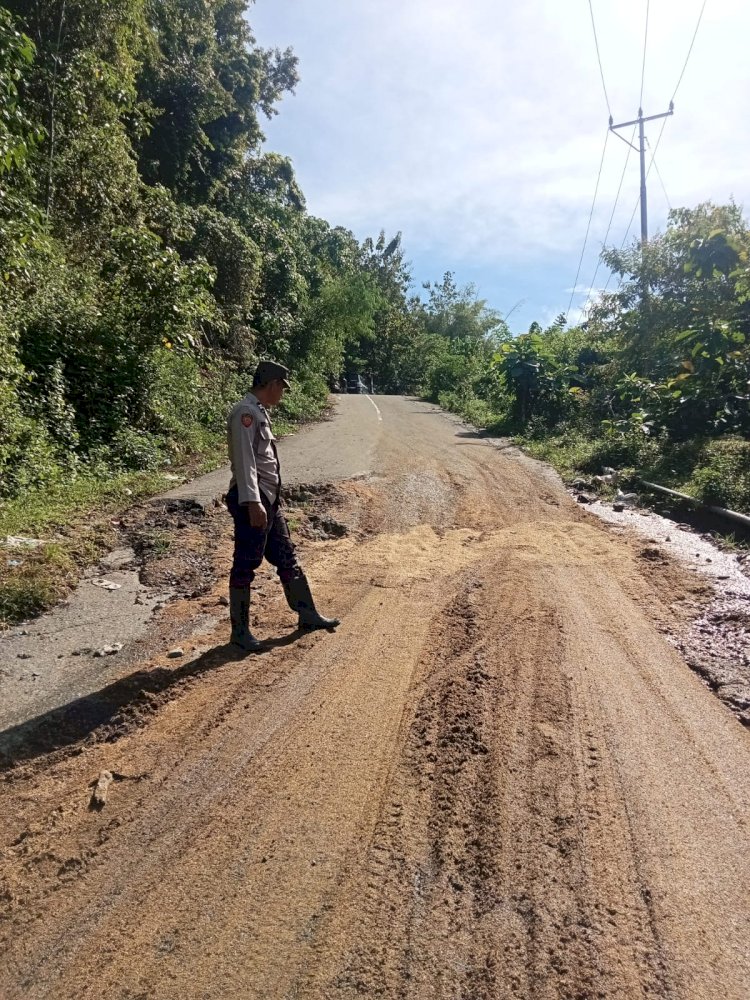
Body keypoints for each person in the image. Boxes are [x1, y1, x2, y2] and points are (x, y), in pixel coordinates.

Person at [225, 360, 340, 652]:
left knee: (286, 556)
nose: (283, 395)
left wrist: (273, 498)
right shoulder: (245, 414)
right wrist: (253, 503)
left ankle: (308, 614)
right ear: (273, 384)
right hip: (254, 500)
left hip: (268, 500)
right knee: (246, 563)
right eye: (282, 388)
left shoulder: (260, 413)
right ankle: (240, 633)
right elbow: (245, 463)